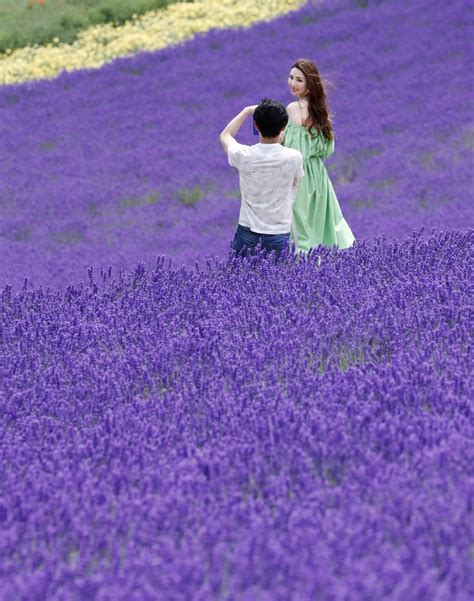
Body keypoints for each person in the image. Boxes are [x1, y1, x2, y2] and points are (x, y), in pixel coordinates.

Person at [283, 58, 355, 251]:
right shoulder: (320, 112)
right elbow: (328, 149)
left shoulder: (292, 109)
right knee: (321, 225)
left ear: (309, 84)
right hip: (319, 176)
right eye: (291, 77)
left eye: (299, 80)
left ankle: (302, 273)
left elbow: (295, 152)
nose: (292, 83)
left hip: (298, 176)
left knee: (300, 228)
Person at [219, 98, 304, 259]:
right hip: (279, 232)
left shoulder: (244, 155)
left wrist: (247, 111)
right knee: (278, 282)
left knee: (238, 280)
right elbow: (293, 184)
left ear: (256, 126)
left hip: (247, 232)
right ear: (284, 126)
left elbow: (225, 135)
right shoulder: (294, 157)